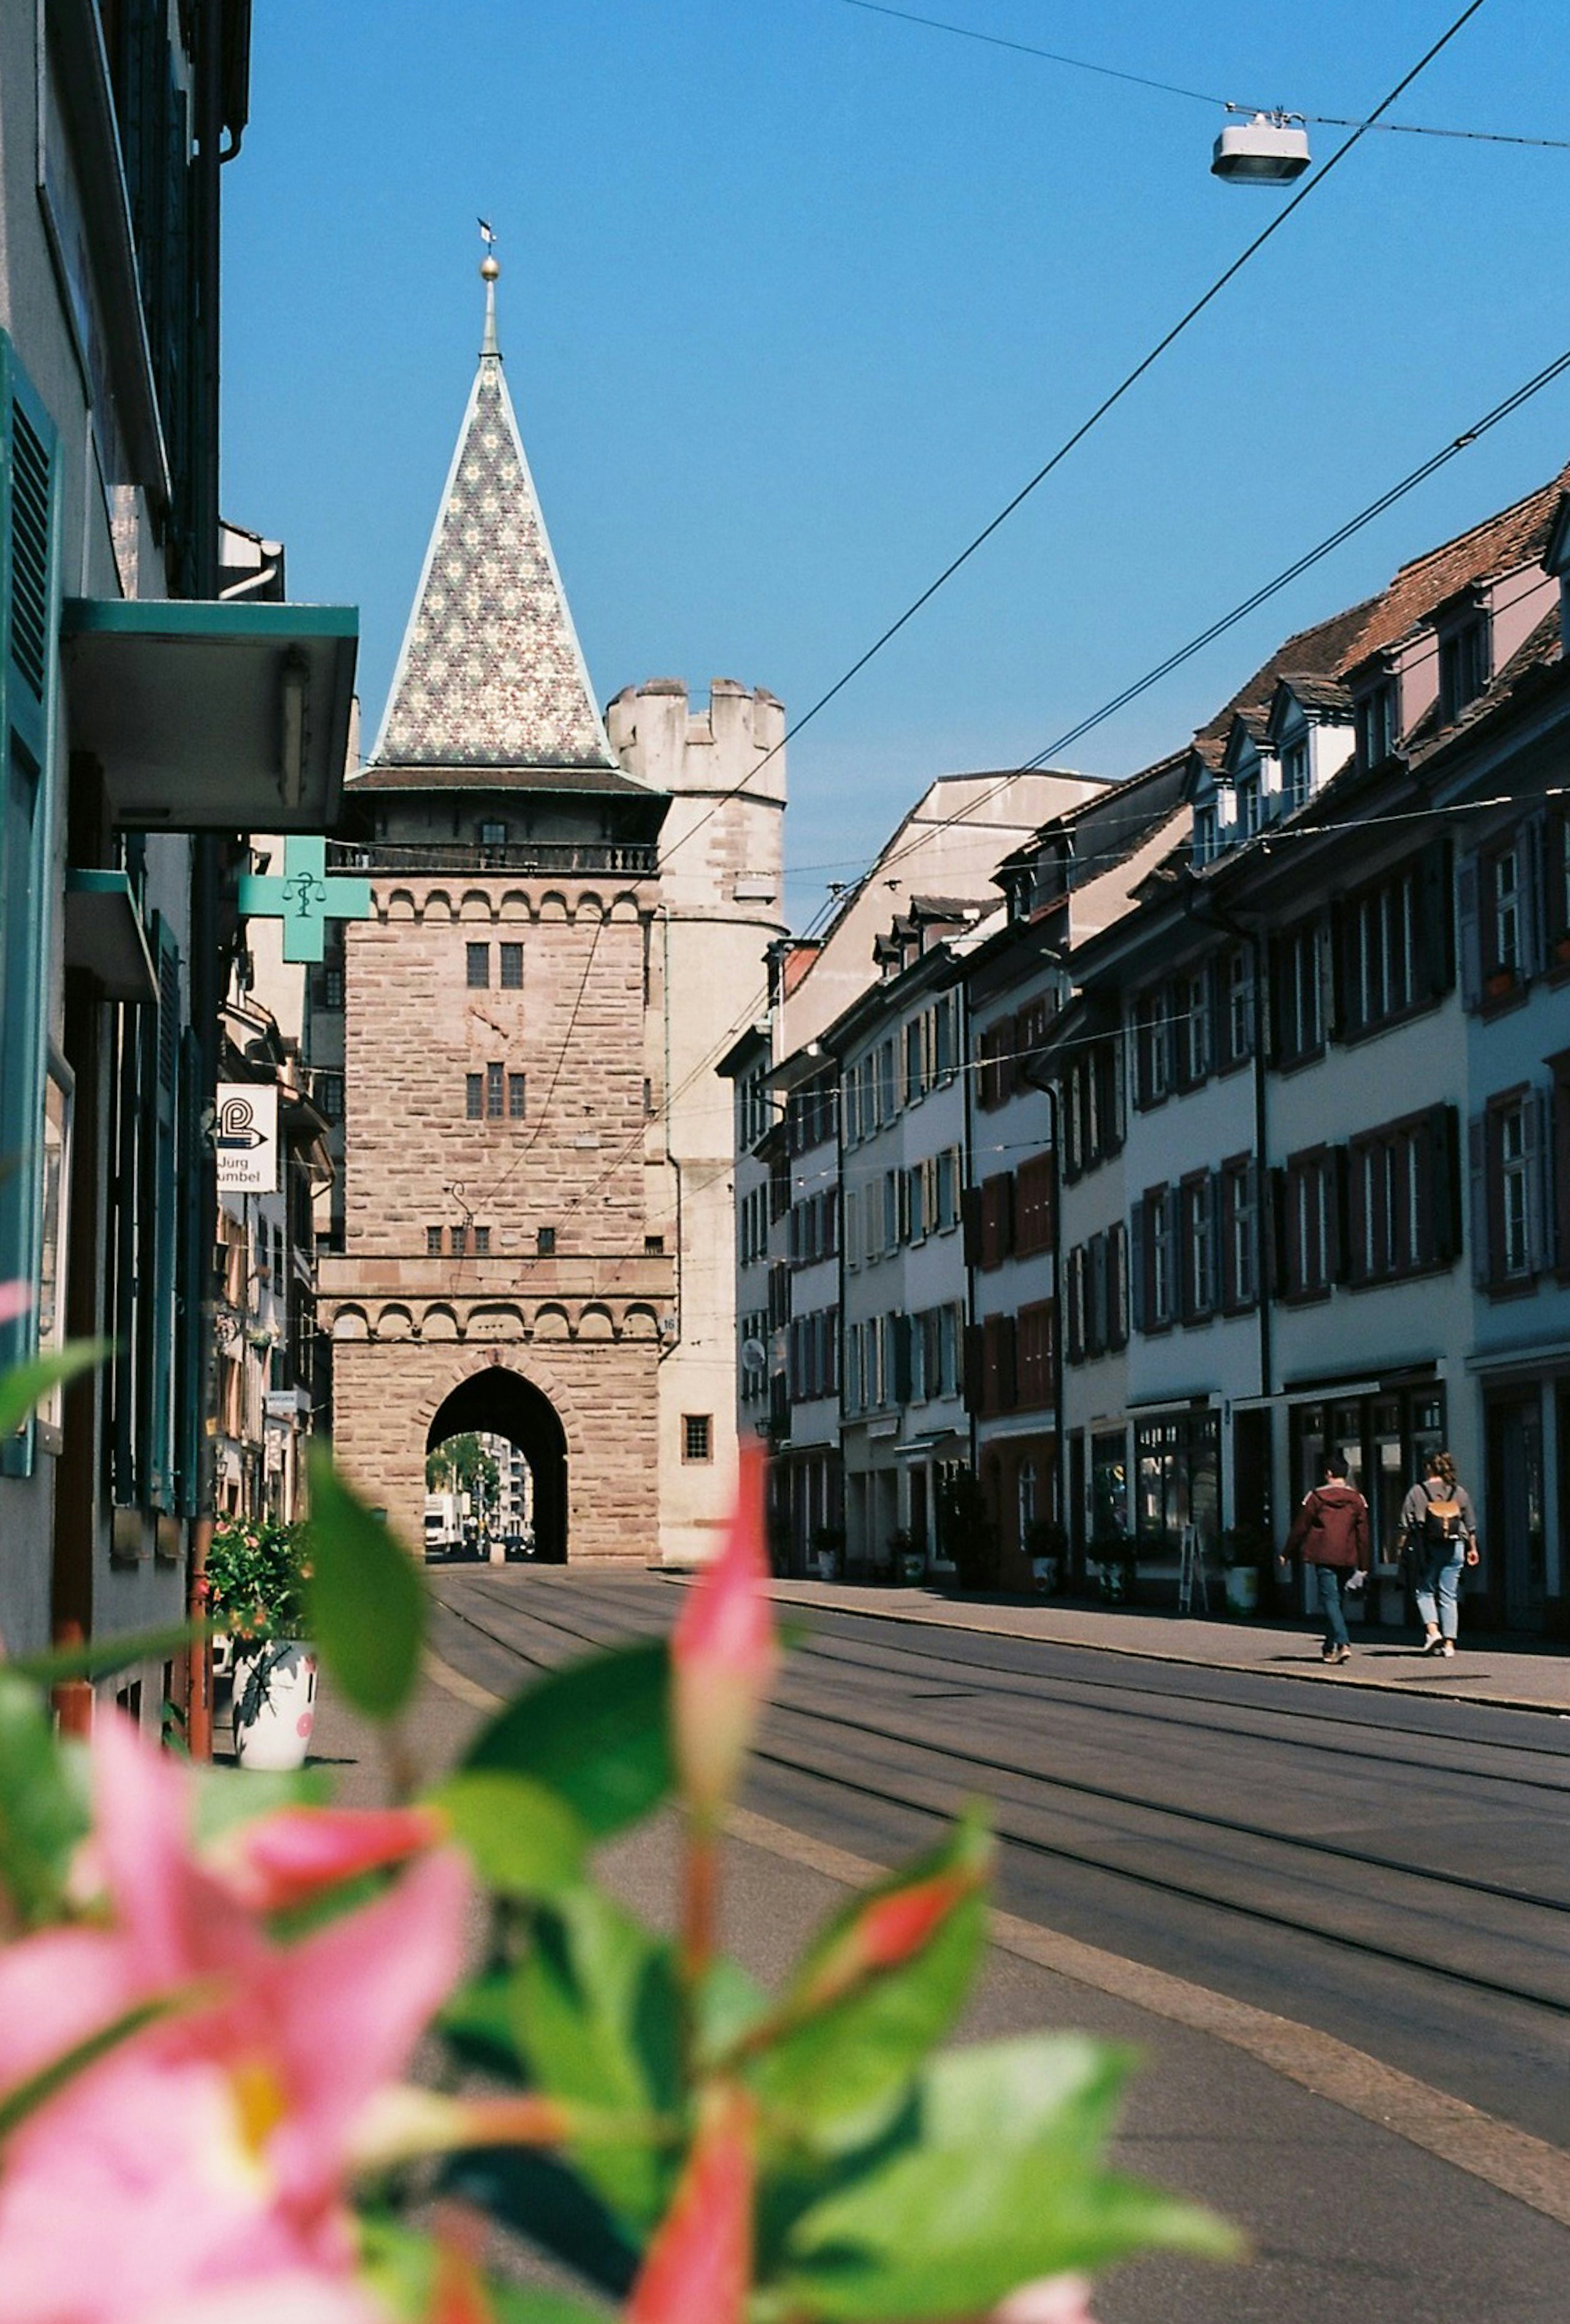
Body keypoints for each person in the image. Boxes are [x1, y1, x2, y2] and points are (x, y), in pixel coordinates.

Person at [1284, 1453, 1371, 1666]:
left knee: (1330, 1601)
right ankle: (1328, 1647)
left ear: (1329, 1474)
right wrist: (1364, 1564)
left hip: (1323, 1554)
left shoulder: (1315, 1497)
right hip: (1348, 1555)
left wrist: (1287, 1552)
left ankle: (1343, 1642)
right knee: (1337, 1601)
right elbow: (1364, 1534)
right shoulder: (1358, 1499)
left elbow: (1301, 1527)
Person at [1400, 1450, 1479, 1657]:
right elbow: (1470, 1524)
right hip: (1456, 1547)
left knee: (1424, 1590)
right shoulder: (1459, 1492)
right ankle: (1450, 1645)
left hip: (1428, 1548)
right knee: (1449, 1595)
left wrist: (1403, 1549)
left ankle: (1433, 1632)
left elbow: (1405, 1523)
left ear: (1428, 1468)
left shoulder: (1417, 1492)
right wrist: (1473, 1548)